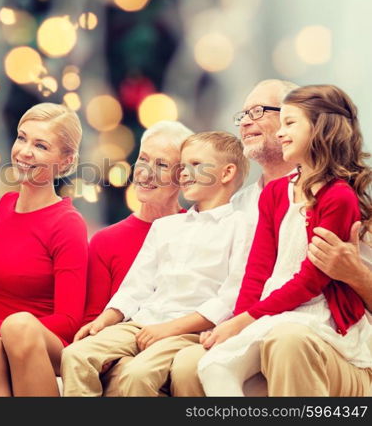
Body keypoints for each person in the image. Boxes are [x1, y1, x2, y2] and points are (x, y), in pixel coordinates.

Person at [172, 80, 372, 397]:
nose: (247, 121)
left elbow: (311, 279)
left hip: (315, 323)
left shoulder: (346, 199)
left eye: (260, 112)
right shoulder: (248, 202)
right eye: (243, 113)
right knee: (192, 365)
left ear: (319, 128)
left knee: (287, 341)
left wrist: (357, 274)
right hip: (265, 313)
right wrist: (237, 323)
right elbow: (256, 271)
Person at [60, 131, 251, 396]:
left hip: (187, 331)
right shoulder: (165, 227)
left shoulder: (242, 226)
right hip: (142, 322)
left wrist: (168, 329)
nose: (183, 173)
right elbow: (136, 286)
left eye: (195, 165)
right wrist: (106, 319)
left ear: (227, 173)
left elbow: (230, 298)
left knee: (137, 376)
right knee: (75, 355)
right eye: (182, 166)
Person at [0, 103, 88, 397]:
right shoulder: (5, 205)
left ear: (65, 162)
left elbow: (68, 322)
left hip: (43, 345)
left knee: (16, 327)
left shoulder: (68, 223)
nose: (24, 151)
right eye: (22, 138)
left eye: (40, 145)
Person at [78, 120, 193, 396]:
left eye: (162, 165)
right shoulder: (106, 241)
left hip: (178, 352)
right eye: (143, 159)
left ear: (184, 176)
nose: (146, 173)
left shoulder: (200, 231)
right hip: (121, 357)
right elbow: (94, 320)